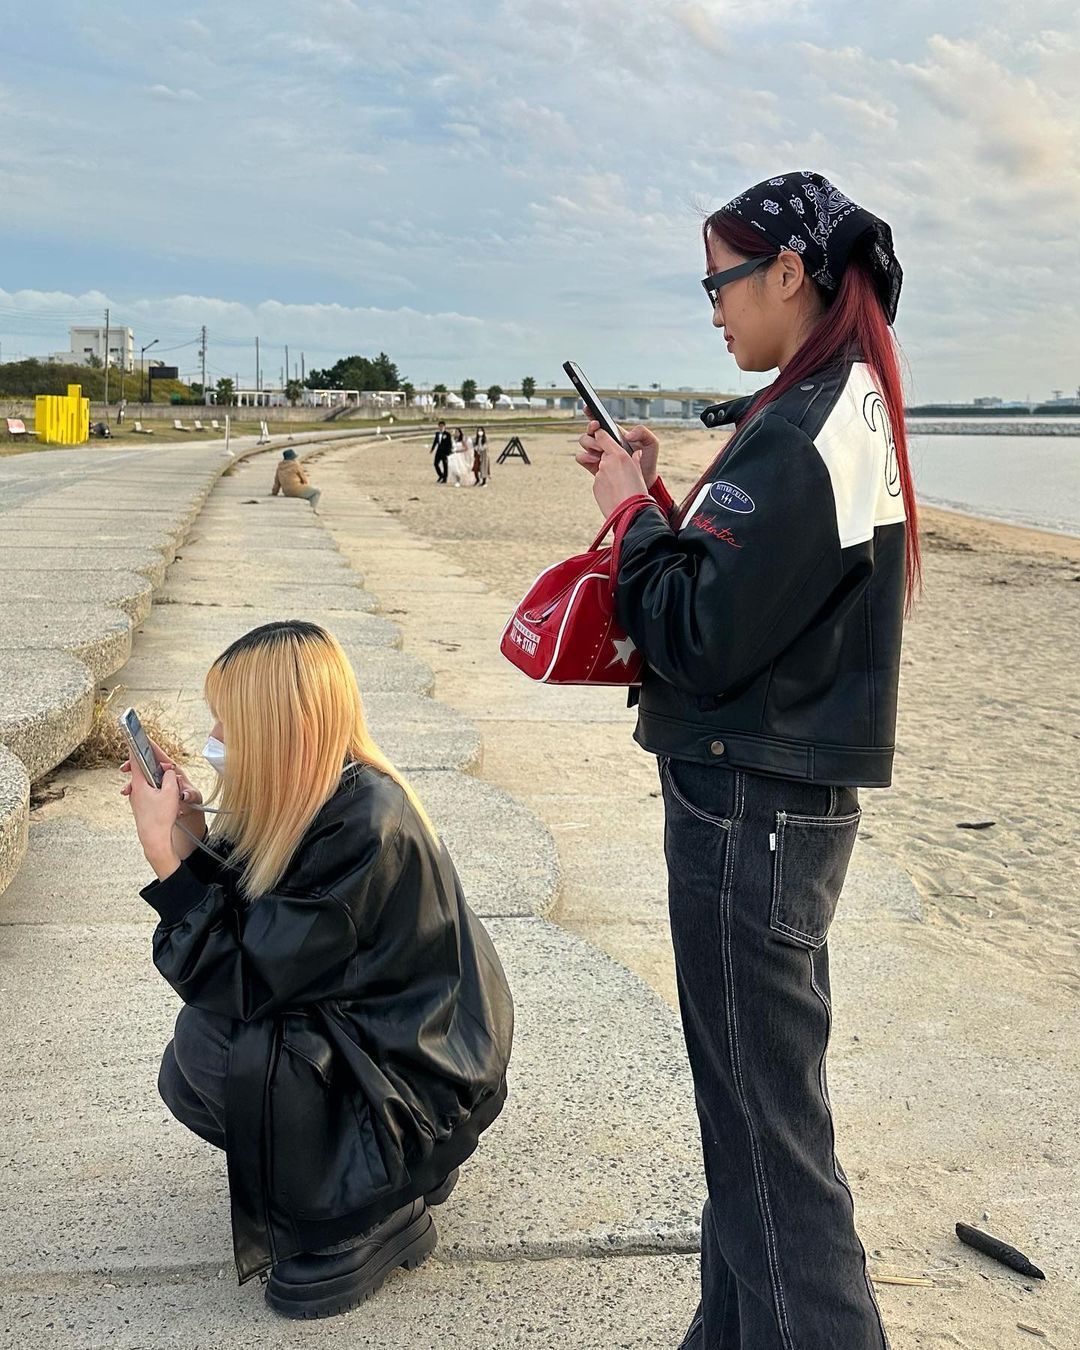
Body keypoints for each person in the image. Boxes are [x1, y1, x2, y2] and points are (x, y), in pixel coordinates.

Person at [576, 170, 918, 1350]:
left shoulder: (810, 423)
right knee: (751, 1116)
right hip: (780, 800)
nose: (711, 307)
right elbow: (758, 602)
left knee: (771, 1140)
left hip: (748, 809)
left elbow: (697, 631)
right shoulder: (837, 407)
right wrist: (667, 505)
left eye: (718, 281)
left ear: (787, 273)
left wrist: (632, 511)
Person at [121, 621, 513, 1318]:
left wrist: (165, 862)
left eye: (228, 720)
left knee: (209, 1049)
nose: (215, 734)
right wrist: (194, 843)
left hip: (422, 1079)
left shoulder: (364, 824)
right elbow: (275, 935)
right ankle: (384, 1181)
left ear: (278, 728)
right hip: (402, 1050)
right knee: (193, 1070)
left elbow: (240, 977)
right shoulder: (327, 796)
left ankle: (376, 1210)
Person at [271, 448, 320, 513]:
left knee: (310, 491)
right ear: (293, 458)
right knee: (316, 492)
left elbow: (277, 483)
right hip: (296, 489)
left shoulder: (279, 467)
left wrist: (274, 493)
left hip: (287, 492)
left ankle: (310, 508)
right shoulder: (295, 465)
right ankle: (312, 510)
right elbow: (304, 480)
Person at [430, 419, 452, 484]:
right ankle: (441, 475)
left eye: (442, 426)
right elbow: (435, 442)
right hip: (438, 451)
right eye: (440, 426)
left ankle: (445, 478)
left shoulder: (447, 434)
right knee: (435, 464)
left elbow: (449, 444)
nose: (441, 427)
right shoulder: (437, 434)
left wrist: (448, 452)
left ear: (444, 426)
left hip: (445, 452)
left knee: (445, 465)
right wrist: (432, 449)